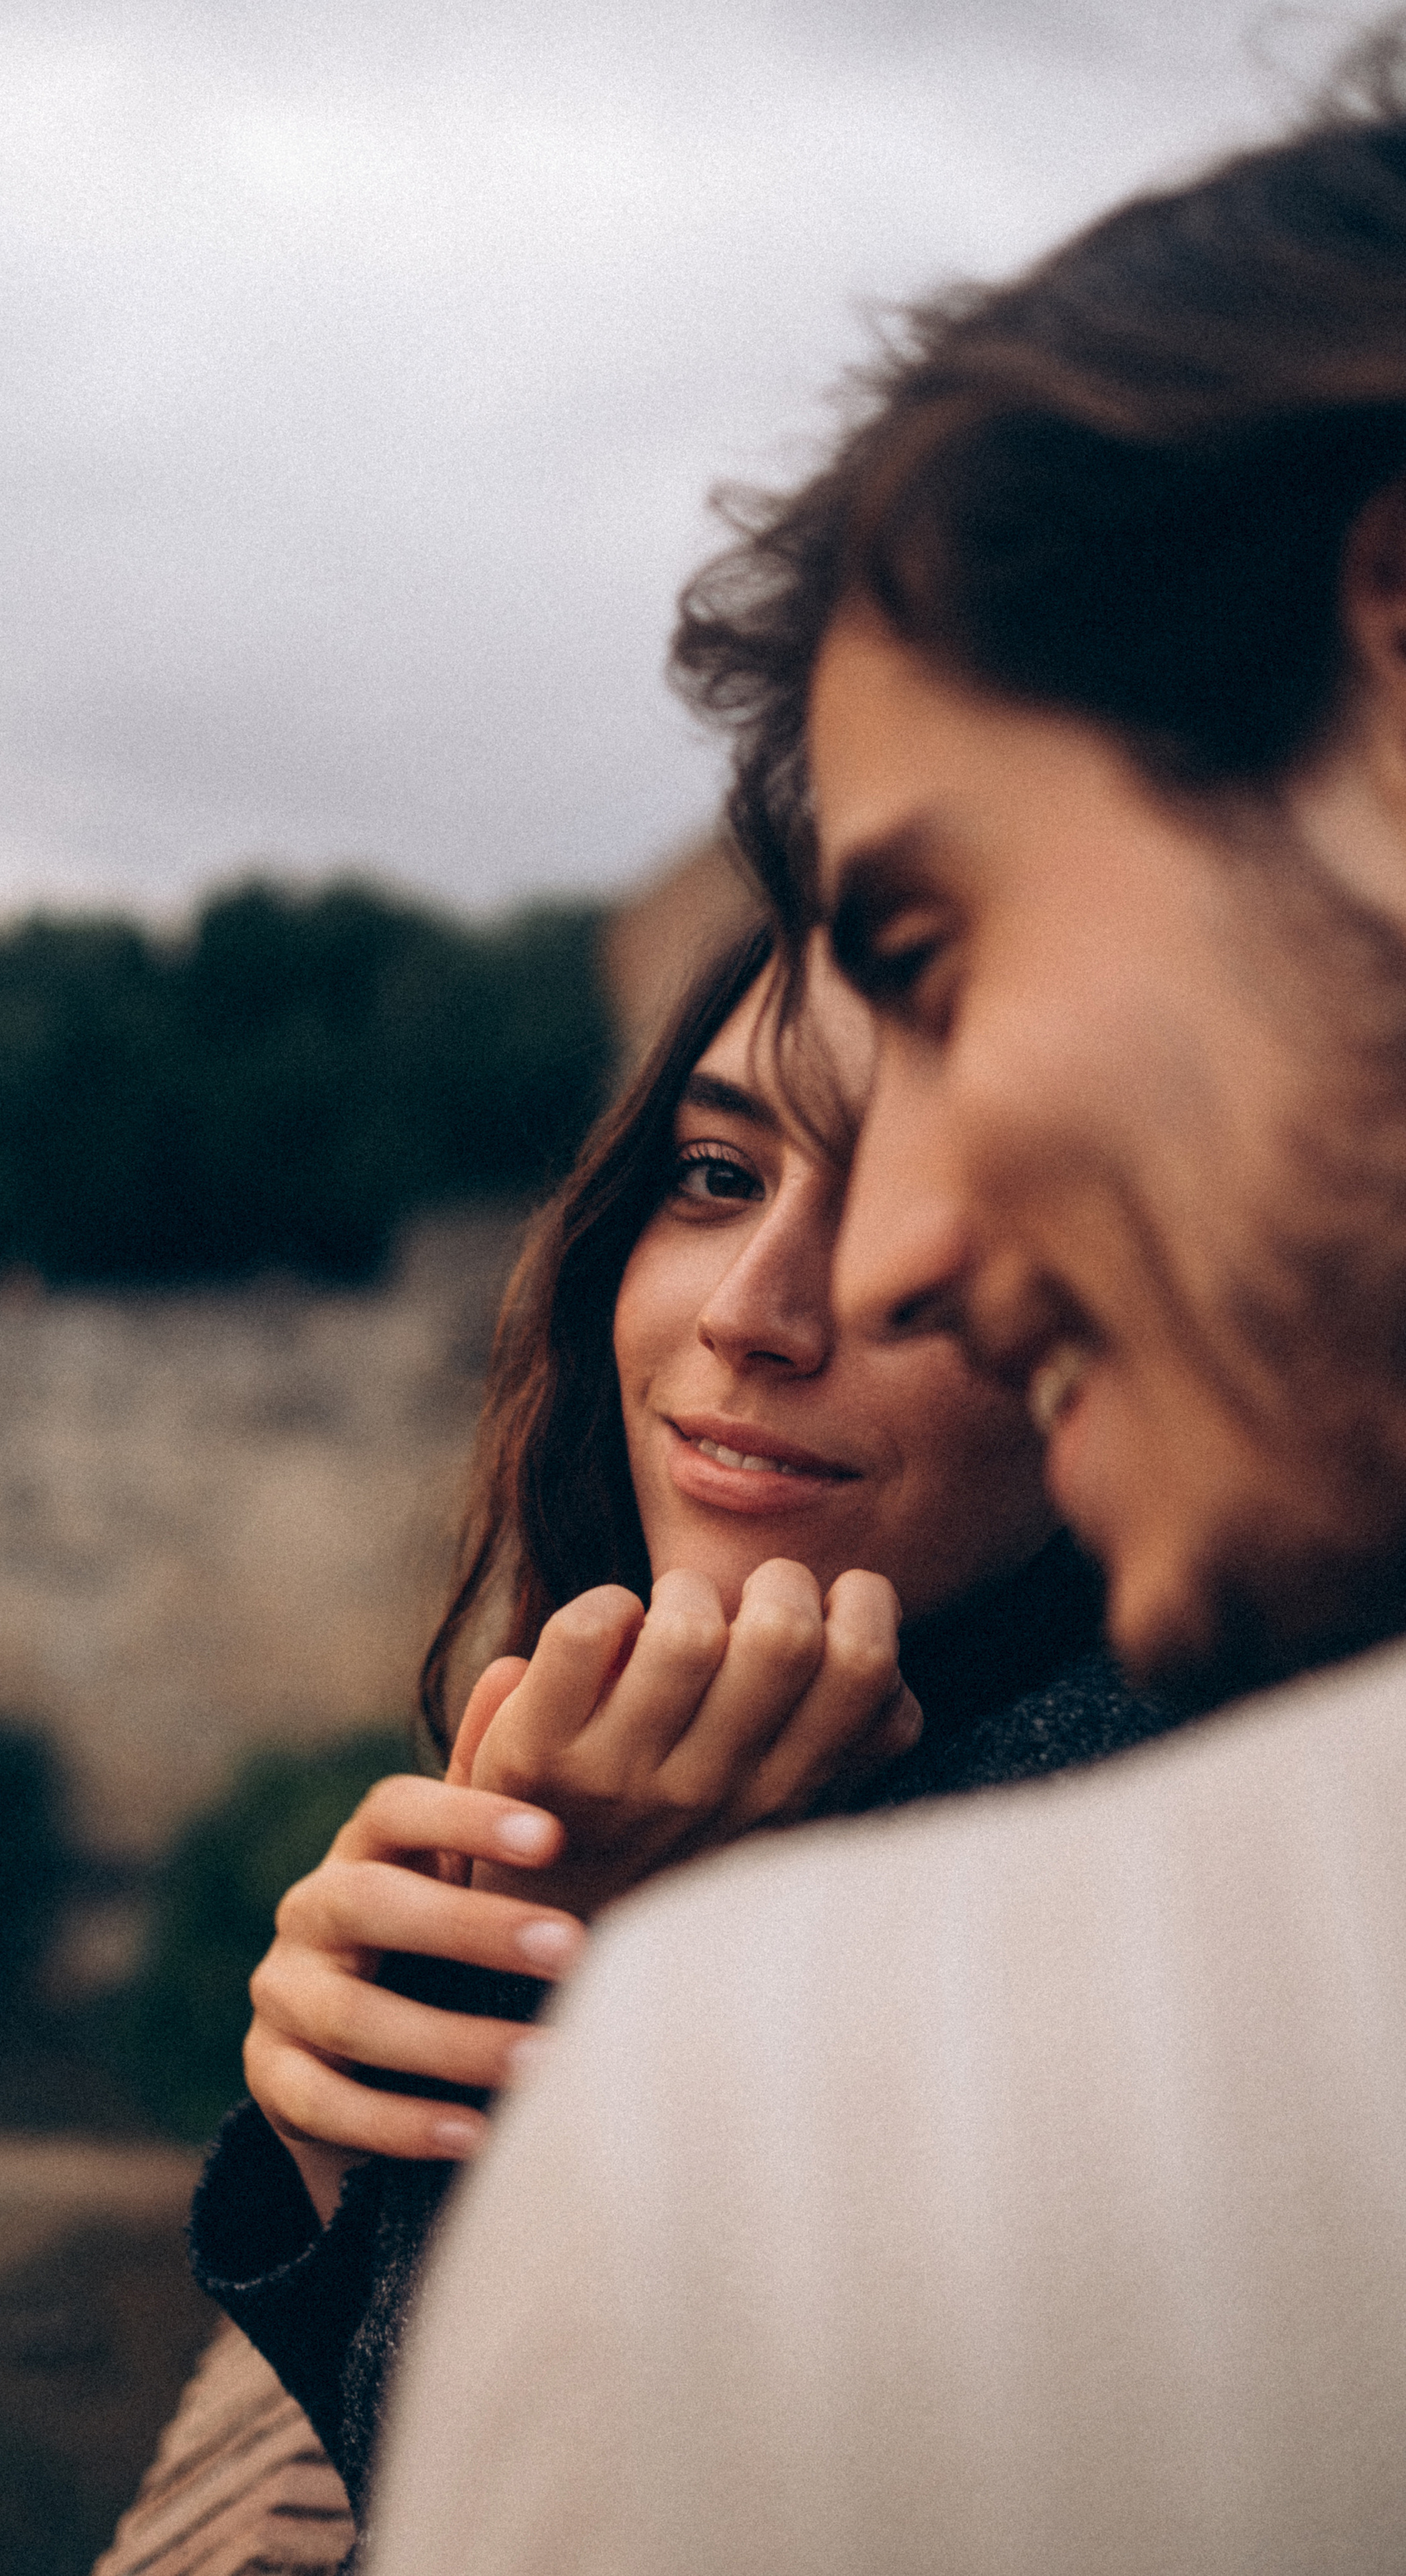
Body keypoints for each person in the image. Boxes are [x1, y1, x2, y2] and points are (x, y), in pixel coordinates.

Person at [362, 42, 1406, 2576]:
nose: (894, 1255)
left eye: (935, 960)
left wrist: (664, 2078)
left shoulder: (869, 2092)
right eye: (713, 1174)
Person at [187, 921, 1174, 2529]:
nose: (753, 1311)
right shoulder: (870, 1772)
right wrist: (349, 2110)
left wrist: (612, 2011)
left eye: (931, 1211)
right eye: (715, 1173)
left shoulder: (1137, 1881)